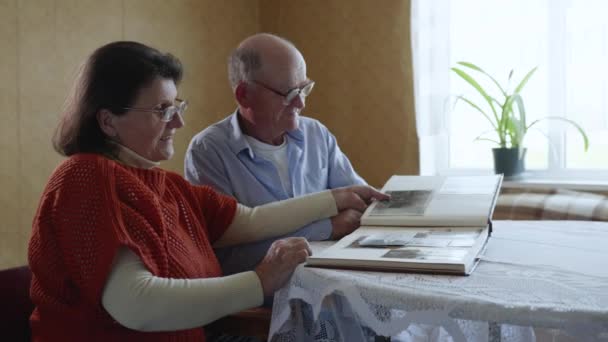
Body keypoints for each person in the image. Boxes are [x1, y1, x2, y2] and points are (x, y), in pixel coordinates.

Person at [27, 41, 387, 341]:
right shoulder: (86, 177)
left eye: (176, 106)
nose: (179, 122)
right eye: (162, 110)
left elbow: (250, 219)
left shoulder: (164, 185)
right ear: (108, 120)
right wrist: (260, 281)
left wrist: (336, 197)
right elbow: (136, 303)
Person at [185, 33, 366, 275]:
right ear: (244, 95)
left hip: (331, 281)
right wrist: (328, 227)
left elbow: (358, 209)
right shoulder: (208, 152)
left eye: (304, 89)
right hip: (264, 302)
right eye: (290, 94)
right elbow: (227, 250)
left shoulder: (316, 134)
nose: (300, 103)